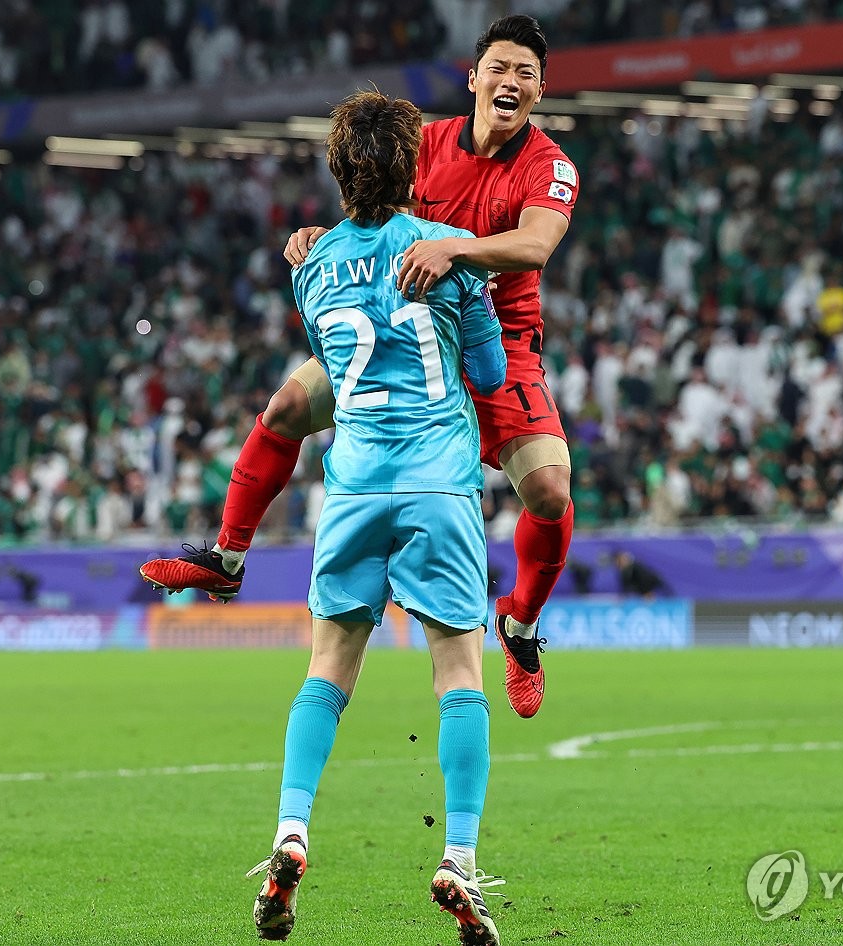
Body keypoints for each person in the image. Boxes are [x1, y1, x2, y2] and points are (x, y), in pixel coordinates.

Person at [142, 14, 578, 719]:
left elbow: (535, 246)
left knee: (552, 493)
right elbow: (372, 211)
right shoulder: (426, 143)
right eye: (499, 68)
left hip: (496, 338)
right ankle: (225, 560)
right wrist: (323, 234)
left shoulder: (548, 166)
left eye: (525, 74)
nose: (511, 82)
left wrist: (456, 251)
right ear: (474, 78)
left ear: (539, 91)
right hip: (406, 335)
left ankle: (521, 626)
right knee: (284, 408)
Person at [242, 90, 506, 944]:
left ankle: (290, 832)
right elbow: (493, 373)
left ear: (335, 169)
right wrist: (478, 283)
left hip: (352, 485)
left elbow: (331, 365)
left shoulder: (309, 266)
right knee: (459, 675)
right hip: (438, 483)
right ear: (415, 165)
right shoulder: (450, 255)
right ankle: (458, 857)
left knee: (328, 669)